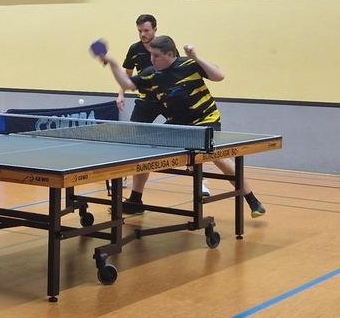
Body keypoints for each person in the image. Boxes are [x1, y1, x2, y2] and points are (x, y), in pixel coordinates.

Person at [93, 35, 266, 218]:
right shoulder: (151, 73)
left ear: (170, 54)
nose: (152, 59)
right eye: (151, 55)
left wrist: (196, 57)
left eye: (157, 56)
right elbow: (127, 84)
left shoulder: (189, 65)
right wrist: (112, 62)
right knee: (145, 150)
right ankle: (135, 201)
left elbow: (219, 76)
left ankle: (252, 200)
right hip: (179, 125)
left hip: (205, 121)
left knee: (217, 157)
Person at [115, 15, 209, 204]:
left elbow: (177, 69)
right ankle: (130, 185)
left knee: (191, 139)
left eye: (146, 30)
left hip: (167, 99)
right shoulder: (134, 49)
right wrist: (121, 94)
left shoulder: (164, 48)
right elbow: (128, 75)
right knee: (134, 142)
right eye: (140, 31)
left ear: (155, 30)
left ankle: (200, 182)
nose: (143, 34)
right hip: (146, 101)